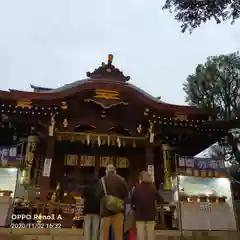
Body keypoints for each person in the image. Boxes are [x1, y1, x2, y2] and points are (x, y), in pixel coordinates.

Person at [98, 164, 128, 240]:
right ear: (115, 171)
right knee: (118, 233)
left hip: (105, 210)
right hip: (118, 210)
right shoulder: (122, 180)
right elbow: (126, 194)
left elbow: (98, 194)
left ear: (106, 171)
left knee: (104, 233)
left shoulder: (102, 180)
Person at [131, 171, 163, 240]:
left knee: (140, 233)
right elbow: (160, 199)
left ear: (140, 178)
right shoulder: (152, 188)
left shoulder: (137, 188)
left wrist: (134, 208)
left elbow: (132, 200)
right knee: (150, 233)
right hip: (151, 214)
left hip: (140, 214)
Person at [82, 175, 100, 240]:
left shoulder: (86, 188)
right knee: (95, 228)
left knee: (87, 228)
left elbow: (83, 198)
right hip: (97, 211)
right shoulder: (99, 188)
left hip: (87, 210)